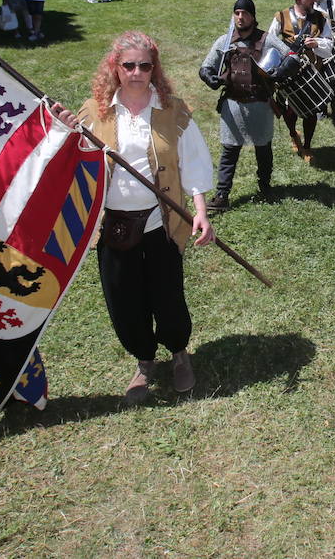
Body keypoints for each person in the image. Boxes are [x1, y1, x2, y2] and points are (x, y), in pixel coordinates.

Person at [52, 31, 215, 402]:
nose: (137, 72)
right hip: (114, 226)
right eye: (129, 65)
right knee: (124, 300)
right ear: (115, 67)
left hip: (162, 223)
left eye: (145, 65)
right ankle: (144, 361)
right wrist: (65, 130)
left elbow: (193, 162)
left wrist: (201, 212)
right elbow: (73, 163)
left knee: (167, 296)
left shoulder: (172, 109)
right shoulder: (94, 112)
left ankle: (178, 353)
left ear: (154, 68)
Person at [198, 0, 289, 213]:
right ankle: (222, 195)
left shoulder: (266, 40)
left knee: (263, 149)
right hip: (233, 104)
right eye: (237, 13)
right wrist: (210, 78)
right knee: (229, 151)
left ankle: (265, 187)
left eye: (245, 13)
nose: (240, 17)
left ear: (253, 16)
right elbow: (206, 67)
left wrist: (280, 72)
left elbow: (290, 55)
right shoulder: (225, 41)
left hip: (260, 103)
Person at [266, 0, 333, 161]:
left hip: (311, 73)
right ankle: (293, 134)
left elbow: (330, 45)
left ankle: (308, 146)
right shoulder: (281, 17)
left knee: (311, 110)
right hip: (287, 73)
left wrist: (316, 43)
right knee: (289, 111)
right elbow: (269, 42)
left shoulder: (320, 18)